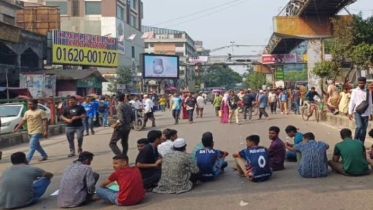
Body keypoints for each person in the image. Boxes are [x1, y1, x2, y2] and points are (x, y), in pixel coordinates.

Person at [348, 77, 372, 143]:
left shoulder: (368, 91)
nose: (361, 84)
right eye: (359, 83)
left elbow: (370, 103)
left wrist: (370, 113)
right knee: (359, 126)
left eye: (362, 83)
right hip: (357, 112)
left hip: (366, 113)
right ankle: (355, 141)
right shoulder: (355, 91)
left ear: (365, 83)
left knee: (364, 129)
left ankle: (361, 143)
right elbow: (352, 102)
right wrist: (350, 112)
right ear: (358, 83)